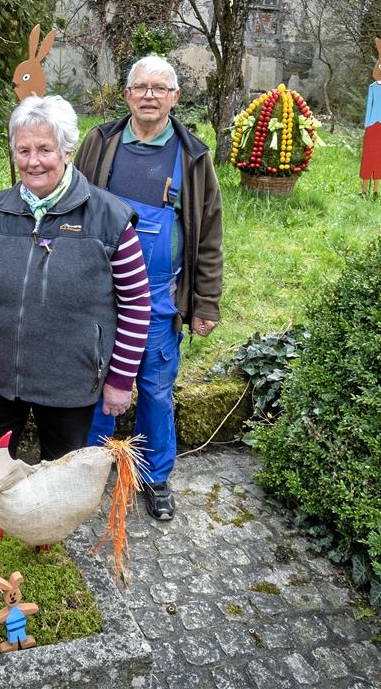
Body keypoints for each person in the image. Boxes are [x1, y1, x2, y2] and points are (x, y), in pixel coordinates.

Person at [0, 94, 151, 507]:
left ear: (66, 149)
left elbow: (136, 305)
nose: (33, 161)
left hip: (69, 384)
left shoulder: (108, 218)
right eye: (23, 150)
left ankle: (50, 551)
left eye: (45, 149)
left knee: (60, 487)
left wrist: (119, 380)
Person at [73, 55, 224, 521]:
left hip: (160, 297)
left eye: (161, 88)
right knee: (96, 383)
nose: (150, 96)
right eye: (141, 87)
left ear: (175, 98)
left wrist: (207, 302)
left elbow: (210, 232)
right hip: (100, 293)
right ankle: (90, 472)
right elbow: (72, 205)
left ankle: (155, 478)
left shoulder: (193, 156)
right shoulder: (100, 143)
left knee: (156, 390)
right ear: (127, 95)